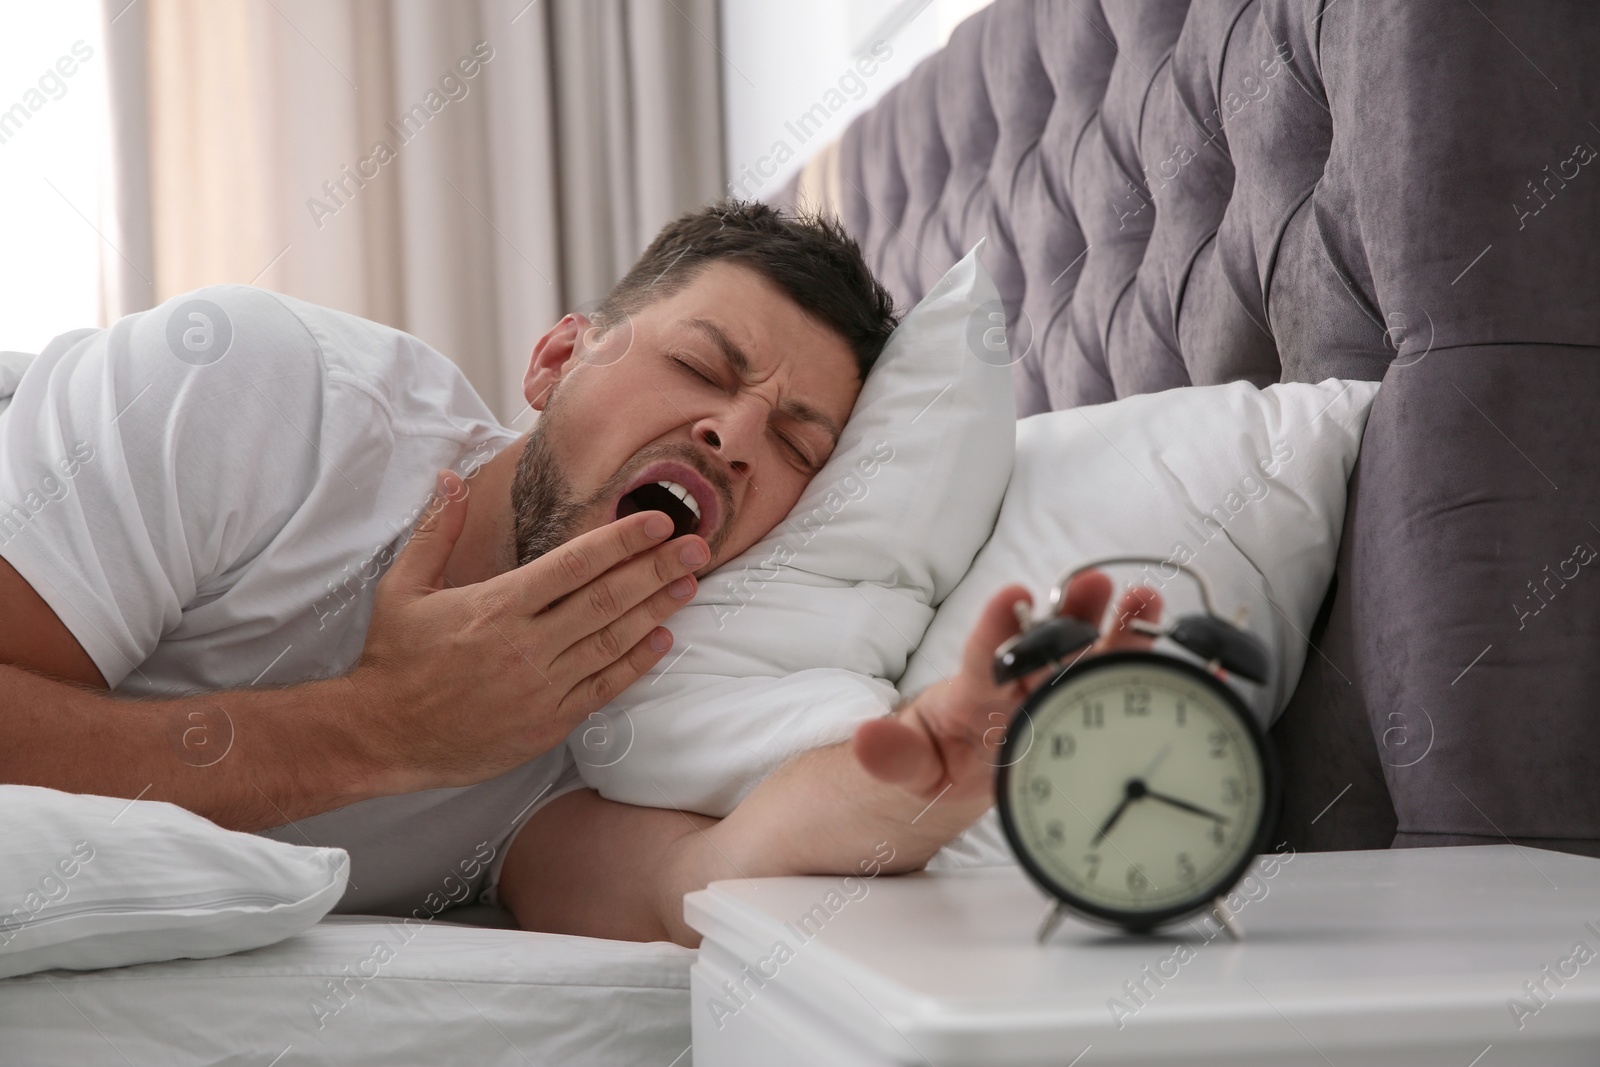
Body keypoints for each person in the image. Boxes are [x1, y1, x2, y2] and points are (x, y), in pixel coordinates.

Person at [0, 200, 1159, 945]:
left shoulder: (623, 702)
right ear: (557, 358)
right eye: (704, 364)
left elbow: (687, 880)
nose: (733, 436)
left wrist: (914, 780)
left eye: (797, 445)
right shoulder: (265, 392)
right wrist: (384, 725)